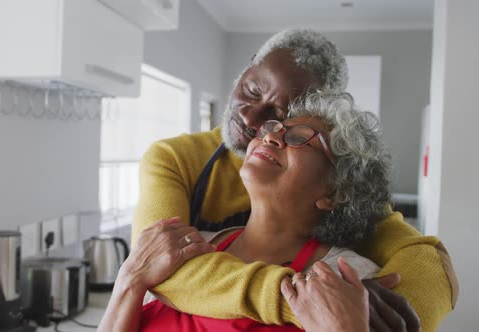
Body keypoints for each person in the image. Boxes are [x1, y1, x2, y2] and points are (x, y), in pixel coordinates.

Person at [132, 30, 458, 331]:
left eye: (283, 117)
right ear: (248, 68)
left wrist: (369, 318)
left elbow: (428, 262)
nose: (251, 118)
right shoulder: (176, 158)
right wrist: (300, 299)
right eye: (252, 90)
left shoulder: (336, 193)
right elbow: (160, 267)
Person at [99, 91, 388, 331]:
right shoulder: (183, 247)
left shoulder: (349, 276)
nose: (271, 138)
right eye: (275, 128)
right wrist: (129, 280)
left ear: (334, 192)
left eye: (300, 138)